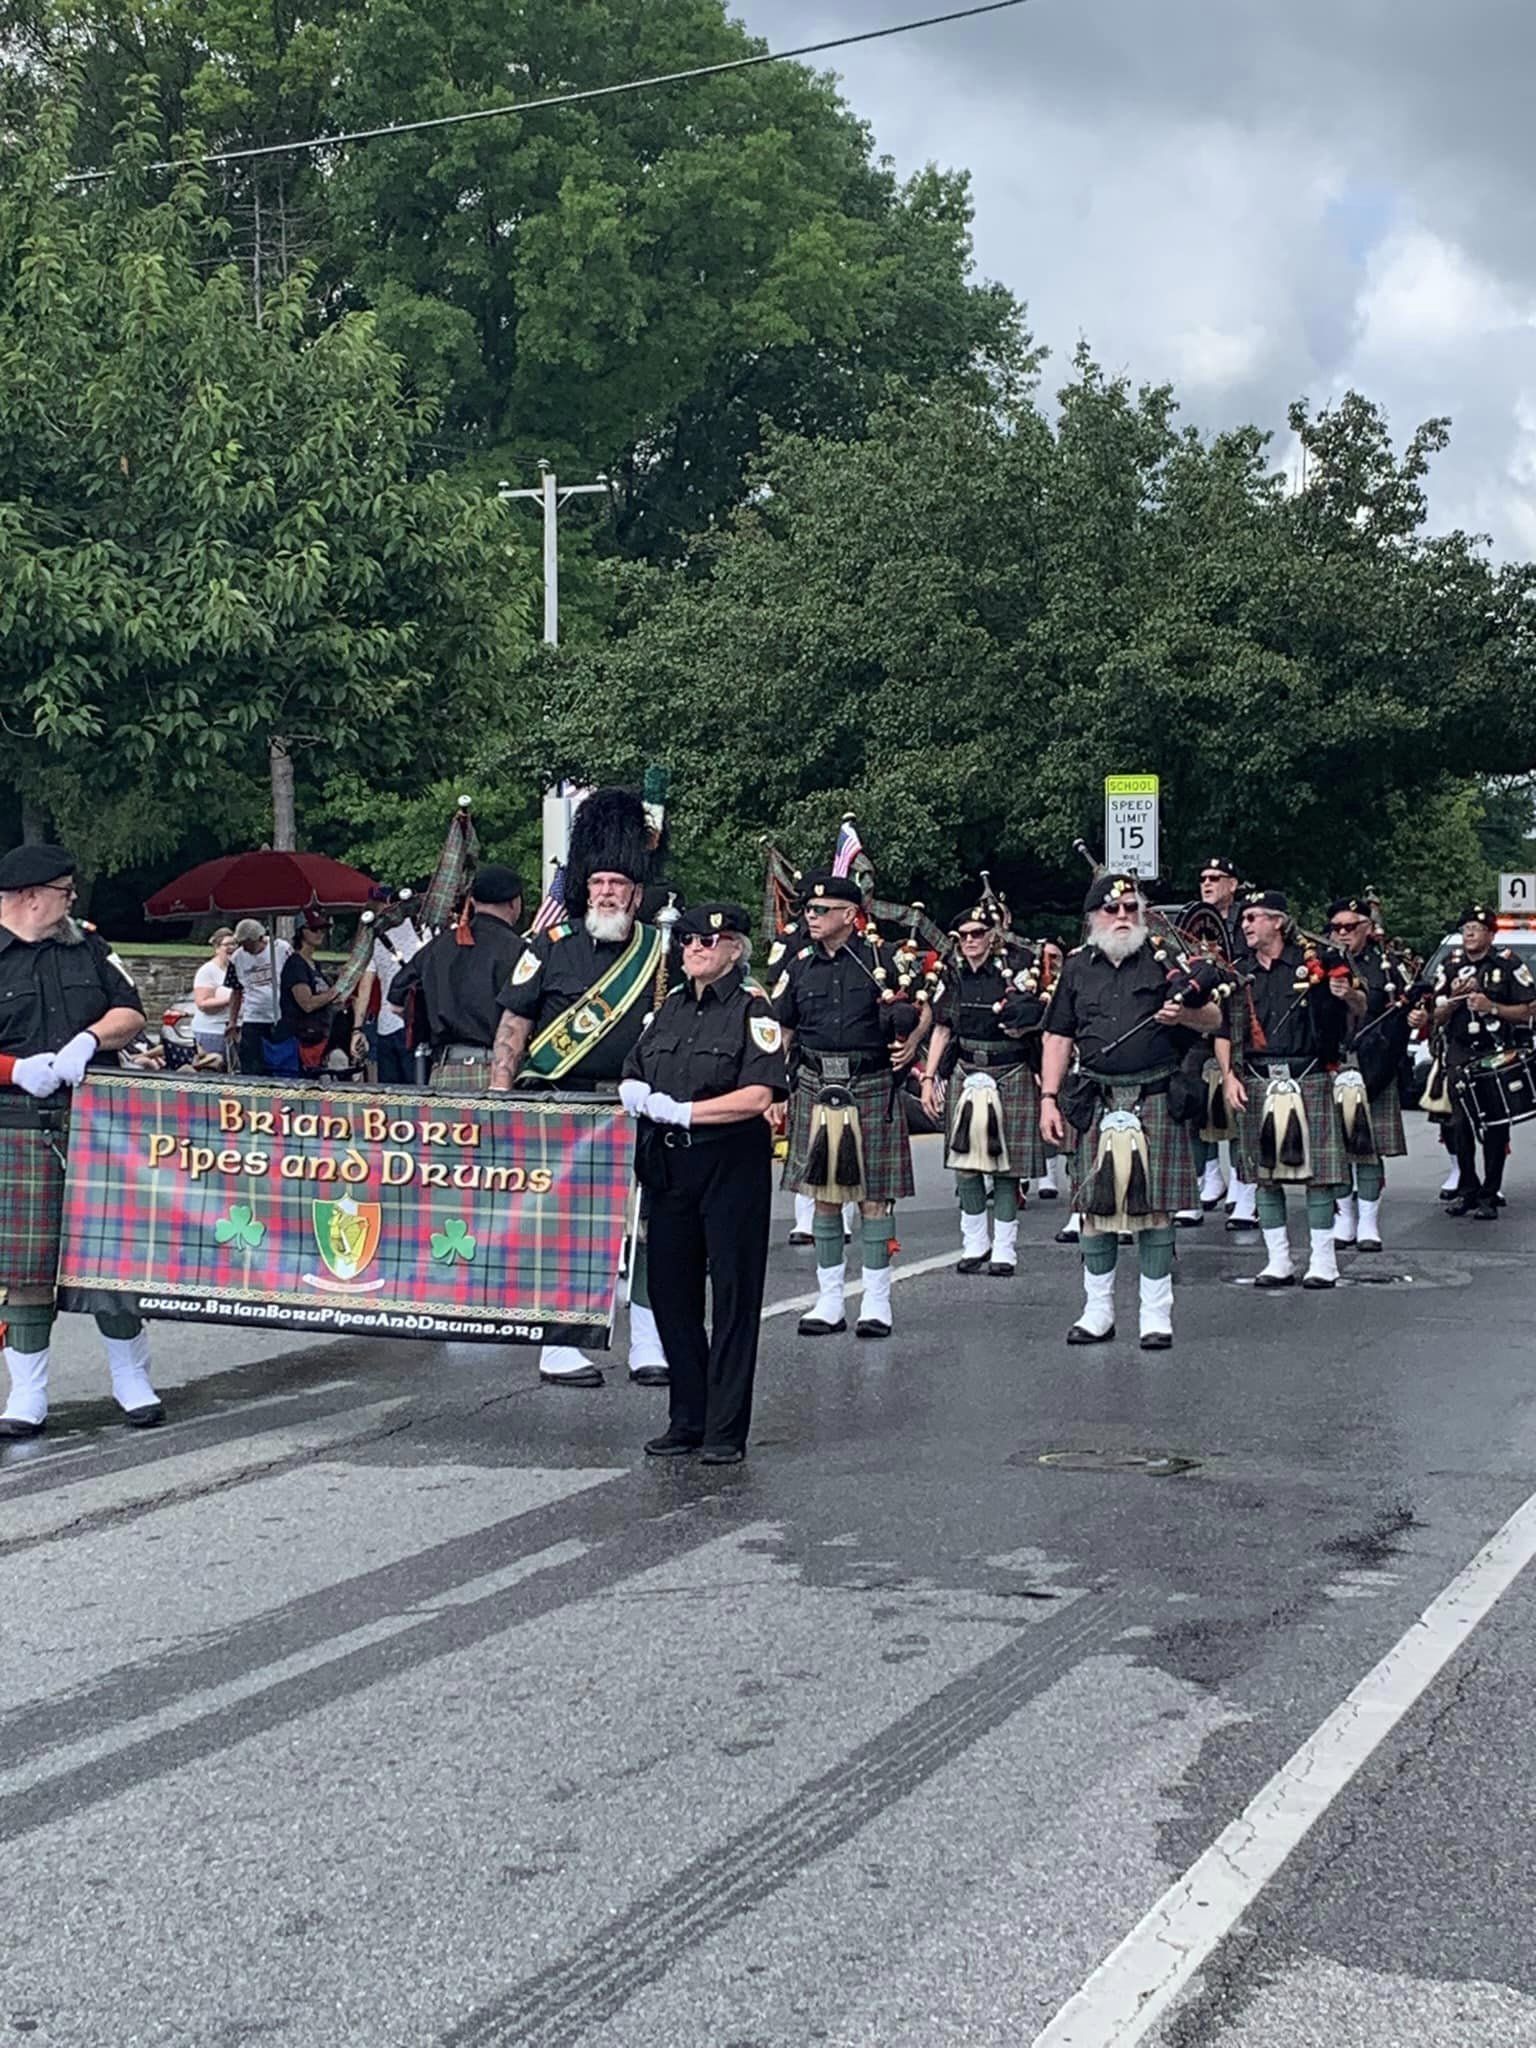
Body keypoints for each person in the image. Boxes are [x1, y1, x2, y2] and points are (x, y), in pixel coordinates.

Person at [490, 791, 671, 1389]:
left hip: (635, 1105)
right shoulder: (549, 947)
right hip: (563, 1106)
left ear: (636, 892)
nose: (607, 893)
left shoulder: (661, 951)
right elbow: (514, 1025)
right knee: (569, 1226)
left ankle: (648, 1339)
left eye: (619, 883)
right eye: (598, 882)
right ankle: (560, 1345)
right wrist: (499, 1094)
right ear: (585, 887)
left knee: (651, 1227)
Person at [0, 843, 164, 1437]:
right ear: (30, 897)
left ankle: (131, 1379)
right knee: (26, 1267)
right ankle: (28, 1394)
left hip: (98, 1124)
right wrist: (13, 1070)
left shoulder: (87, 946)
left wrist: (90, 1040)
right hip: (15, 1124)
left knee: (111, 1256)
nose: (73, 901)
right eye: (66, 892)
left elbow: (133, 1012)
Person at [620, 904, 788, 1463]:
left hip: (729, 1162)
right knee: (671, 1293)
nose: (695, 948)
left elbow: (759, 1095)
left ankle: (725, 1429)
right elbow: (636, 1067)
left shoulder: (751, 1012)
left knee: (734, 1295)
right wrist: (635, 1093)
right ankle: (687, 1415)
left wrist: (688, 1113)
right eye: (689, 940)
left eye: (709, 941)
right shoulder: (668, 1009)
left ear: (735, 949)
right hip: (670, 1168)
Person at [1039, 873, 1221, 1349]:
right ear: (1093, 918)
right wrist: (1048, 1100)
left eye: (1130, 909)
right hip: (1096, 1097)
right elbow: (1057, 1036)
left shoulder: (1166, 962)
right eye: (1111, 909)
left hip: (1155, 1096)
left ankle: (1156, 1313)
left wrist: (1184, 1015)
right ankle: (1097, 1311)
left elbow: (1215, 1019)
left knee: (1155, 1211)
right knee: (1094, 1212)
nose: (1122, 917)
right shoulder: (1076, 968)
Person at [773, 872, 926, 1339]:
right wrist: (777, 1091)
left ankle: (877, 1302)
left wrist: (913, 1041)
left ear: (849, 915)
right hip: (815, 1081)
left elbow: (924, 1009)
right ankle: (829, 1300)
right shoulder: (798, 965)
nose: (811, 917)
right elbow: (785, 1033)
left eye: (821, 911)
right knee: (823, 1197)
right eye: (808, 911)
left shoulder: (883, 960)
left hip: (871, 1082)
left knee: (874, 1199)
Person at [1215, 891, 1353, 1289]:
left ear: (1277, 922)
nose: (1245, 924)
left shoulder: (1315, 963)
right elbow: (1225, 1031)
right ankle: (1278, 1261)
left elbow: (1355, 1006)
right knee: (1264, 1177)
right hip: (1256, 1077)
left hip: (1306, 1074)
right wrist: (1229, 1076)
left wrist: (1348, 993)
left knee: (1319, 1176)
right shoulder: (1239, 972)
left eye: (1253, 917)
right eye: (1243, 919)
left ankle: (1323, 1261)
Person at [920, 894, 1044, 1276]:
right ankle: (974, 1244)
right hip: (966, 1068)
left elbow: (1039, 1019)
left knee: (1008, 1168)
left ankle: (1005, 1248)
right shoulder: (951, 973)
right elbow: (942, 1027)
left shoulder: (1017, 970)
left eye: (978, 933)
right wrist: (928, 1077)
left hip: (1011, 1068)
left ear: (992, 936)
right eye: (964, 935)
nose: (970, 940)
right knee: (966, 1166)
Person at [1430, 903, 1536, 1219]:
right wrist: (1452, 1000)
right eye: (1465, 929)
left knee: (1495, 1126)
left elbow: (1530, 1009)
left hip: (1497, 1052)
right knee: (1458, 1124)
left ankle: (1490, 1194)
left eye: (1476, 929)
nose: (1470, 934)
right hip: (1460, 1053)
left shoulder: (1507, 964)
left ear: (1490, 933)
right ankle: (1468, 1190)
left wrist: (1492, 1007)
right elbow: (1434, 1016)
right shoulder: (1449, 965)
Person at [387, 866, 525, 1092]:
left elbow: (395, 1002)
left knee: (443, 1130)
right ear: (514, 902)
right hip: (500, 1072)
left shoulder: (438, 946)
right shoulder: (519, 951)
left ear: (472, 902)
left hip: (444, 1070)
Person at [1326, 894, 1411, 1251]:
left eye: (1350, 927)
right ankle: (1344, 1218)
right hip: (1332, 1059)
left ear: (1367, 928)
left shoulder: (1388, 966)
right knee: (1337, 1146)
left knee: (1369, 1148)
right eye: (1336, 928)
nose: (1342, 934)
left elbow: (1403, 1015)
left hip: (1375, 1061)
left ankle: (1369, 1223)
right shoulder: (1318, 964)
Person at [270, 914, 343, 1075]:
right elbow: (307, 1003)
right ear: (301, 932)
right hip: (296, 1040)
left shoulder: (314, 965)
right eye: (314, 929)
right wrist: (333, 993)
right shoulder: (296, 964)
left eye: (322, 930)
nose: (320, 934)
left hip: (316, 1038)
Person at [225, 919, 291, 1075]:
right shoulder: (237, 958)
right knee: (252, 1064)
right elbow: (236, 991)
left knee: (280, 1063)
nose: (245, 948)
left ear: (259, 939)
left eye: (248, 943)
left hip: (280, 1016)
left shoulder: (281, 949)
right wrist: (233, 1021)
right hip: (253, 1017)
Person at [370, 902, 424, 1085]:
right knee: (416, 1091)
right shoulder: (426, 933)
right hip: (413, 1025)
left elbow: (365, 984)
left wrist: (356, 1028)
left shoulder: (376, 938)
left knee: (390, 1093)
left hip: (386, 1025)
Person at [191, 929, 237, 1064]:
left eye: (234, 944)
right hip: (211, 1032)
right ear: (217, 948)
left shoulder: (235, 968)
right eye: (227, 944)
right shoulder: (207, 971)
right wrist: (230, 1000)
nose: (232, 948)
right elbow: (202, 1003)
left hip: (232, 1030)